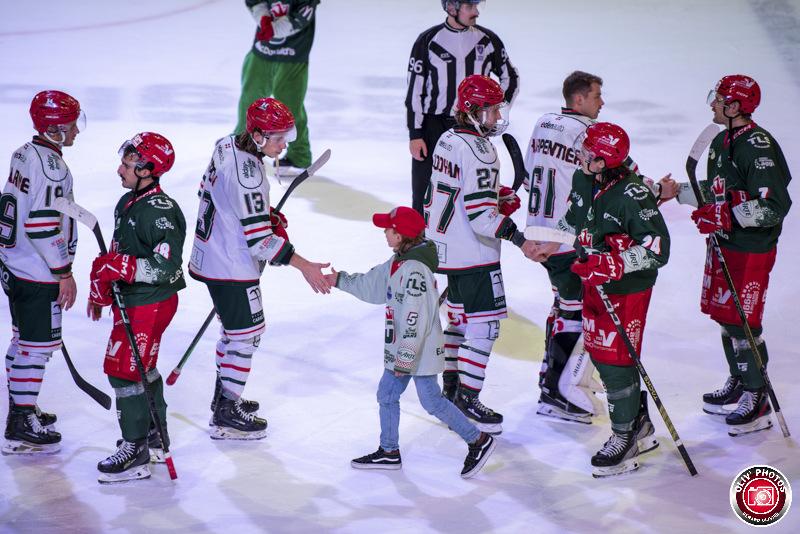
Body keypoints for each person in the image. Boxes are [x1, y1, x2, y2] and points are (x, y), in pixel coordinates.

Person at [523, 71, 678, 425]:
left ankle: (554, 379)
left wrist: (543, 234)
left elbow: (529, 170)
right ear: (579, 100)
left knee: (563, 306)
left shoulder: (544, 122)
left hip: (543, 227)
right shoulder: (590, 138)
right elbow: (627, 180)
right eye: (596, 96)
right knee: (580, 312)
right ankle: (560, 388)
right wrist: (662, 191)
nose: (601, 103)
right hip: (575, 235)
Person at [189, 97, 331, 440]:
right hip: (231, 265)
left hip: (210, 252)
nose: (284, 144)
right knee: (247, 334)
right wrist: (304, 265)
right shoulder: (250, 175)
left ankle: (223, 398)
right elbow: (260, 243)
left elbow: (221, 194)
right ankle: (227, 412)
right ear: (255, 135)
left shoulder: (225, 144)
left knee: (233, 331)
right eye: (277, 138)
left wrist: (261, 213)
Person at [325, 207, 496, 479]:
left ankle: (477, 440)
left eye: (388, 228)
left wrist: (404, 361)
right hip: (407, 350)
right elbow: (373, 284)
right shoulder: (400, 261)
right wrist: (339, 280)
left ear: (401, 234)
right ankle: (390, 451)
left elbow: (415, 319)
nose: (384, 231)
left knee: (428, 402)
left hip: (415, 351)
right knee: (393, 395)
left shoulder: (414, 271)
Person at [676, 75, 792, 436]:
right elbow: (718, 190)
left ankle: (757, 398)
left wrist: (727, 216)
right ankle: (741, 378)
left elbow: (774, 206)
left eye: (719, 99)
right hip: (725, 243)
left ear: (736, 106)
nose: (712, 104)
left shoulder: (756, 146)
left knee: (745, 321)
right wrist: (675, 192)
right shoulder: (722, 138)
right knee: (727, 316)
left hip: (750, 250)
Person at [425, 74, 538, 435]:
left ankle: (452, 388)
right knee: (484, 327)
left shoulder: (447, 138)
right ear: (473, 111)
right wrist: (520, 239)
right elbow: (481, 217)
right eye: (491, 110)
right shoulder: (482, 150)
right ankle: (467, 398)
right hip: (474, 254)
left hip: (444, 249)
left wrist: (496, 193)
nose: (497, 117)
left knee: (458, 322)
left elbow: (459, 189)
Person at [558, 122, 670, 477]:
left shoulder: (633, 194)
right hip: (594, 283)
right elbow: (573, 222)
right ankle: (639, 426)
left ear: (606, 161)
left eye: (590, 153)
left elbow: (658, 249)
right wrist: (546, 242)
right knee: (601, 353)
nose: (582, 156)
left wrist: (613, 263)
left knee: (615, 359)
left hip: (626, 289)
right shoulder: (583, 180)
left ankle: (624, 439)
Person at [87, 132, 186, 483]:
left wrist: (124, 267)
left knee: (123, 371)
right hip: (134, 300)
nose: (120, 170)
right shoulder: (126, 203)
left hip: (151, 302)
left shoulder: (161, 212)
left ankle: (136, 449)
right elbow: (117, 254)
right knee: (143, 368)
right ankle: (154, 435)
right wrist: (102, 284)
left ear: (148, 170)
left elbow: (168, 266)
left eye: (128, 165)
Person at [2, 90, 84, 455]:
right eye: (70, 126)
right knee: (37, 347)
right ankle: (20, 420)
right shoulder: (53, 167)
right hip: (35, 273)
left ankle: (23, 404)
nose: (76, 132)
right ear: (54, 129)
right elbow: (40, 224)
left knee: (22, 339)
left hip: (13, 263)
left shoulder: (24, 152)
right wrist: (63, 272)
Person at [406, 0, 518, 214]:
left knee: (471, 190)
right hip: (434, 128)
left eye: (477, 6)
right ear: (451, 8)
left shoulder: (488, 40)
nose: (476, 12)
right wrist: (416, 133)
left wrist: (494, 112)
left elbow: (510, 78)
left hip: (473, 126)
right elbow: (415, 90)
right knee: (424, 195)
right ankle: (419, 245)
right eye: (470, 7)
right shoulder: (428, 40)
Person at [234, 0, 320, 176]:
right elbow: (255, 2)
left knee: (290, 105)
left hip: (294, 52)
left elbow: (303, 15)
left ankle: (299, 154)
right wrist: (264, 19)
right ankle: (242, 142)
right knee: (250, 98)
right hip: (263, 48)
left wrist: (274, 29)